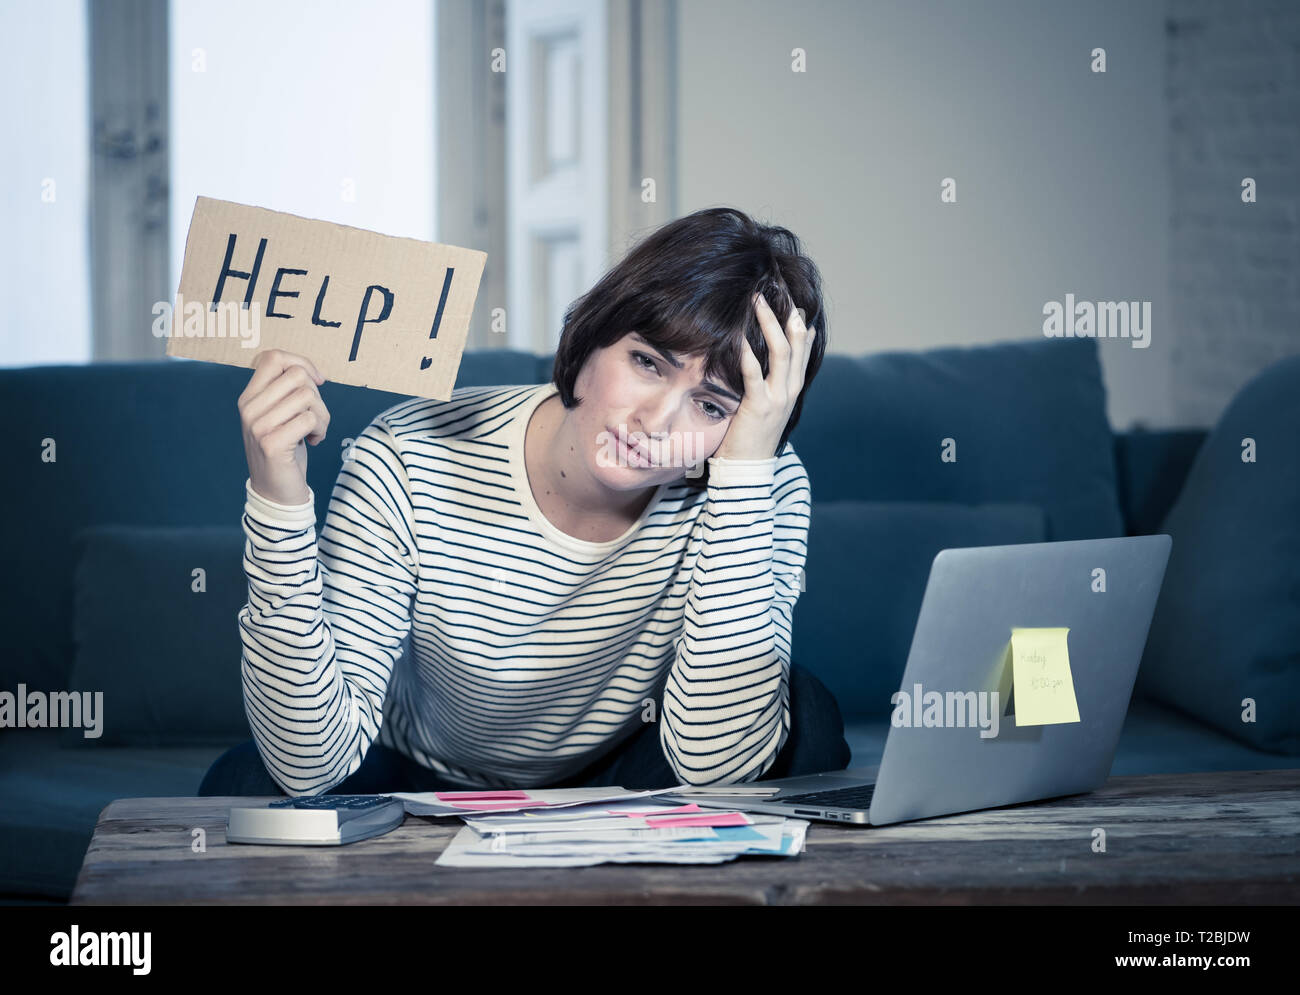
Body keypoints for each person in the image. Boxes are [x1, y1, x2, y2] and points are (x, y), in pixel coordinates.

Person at [199, 206, 851, 798]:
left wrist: (744, 475)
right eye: (648, 363)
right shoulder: (403, 455)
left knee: (805, 715)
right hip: (410, 765)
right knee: (246, 784)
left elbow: (718, 770)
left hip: (618, 767)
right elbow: (310, 764)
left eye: (711, 404)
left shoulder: (757, 474)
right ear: (594, 335)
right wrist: (278, 496)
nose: (656, 420)